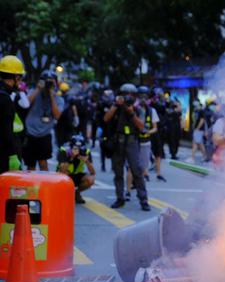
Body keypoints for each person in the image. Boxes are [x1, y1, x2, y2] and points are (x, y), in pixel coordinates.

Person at [103, 83, 150, 211]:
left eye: (131, 94)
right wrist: (115, 105)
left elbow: (142, 127)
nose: (128, 97)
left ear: (135, 96)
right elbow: (106, 119)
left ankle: (143, 199)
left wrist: (131, 113)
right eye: (125, 94)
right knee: (118, 172)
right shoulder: (116, 107)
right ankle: (120, 198)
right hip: (118, 141)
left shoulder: (138, 109)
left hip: (132, 142)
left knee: (137, 171)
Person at [24, 70, 64, 171]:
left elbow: (57, 116)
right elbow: (25, 104)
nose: (48, 84)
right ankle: (31, 186)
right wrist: (38, 89)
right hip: (30, 133)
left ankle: (45, 186)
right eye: (46, 81)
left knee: (43, 164)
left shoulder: (58, 99)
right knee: (30, 165)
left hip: (45, 134)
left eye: (51, 82)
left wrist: (51, 95)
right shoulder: (34, 92)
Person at [126, 86, 160, 199]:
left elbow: (155, 127)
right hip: (134, 141)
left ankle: (139, 189)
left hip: (146, 142)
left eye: (145, 96)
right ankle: (128, 191)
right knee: (131, 167)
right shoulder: (132, 109)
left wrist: (148, 132)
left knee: (142, 168)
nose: (143, 99)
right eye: (140, 96)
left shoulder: (152, 111)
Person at [0, 55, 24, 173]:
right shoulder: (4, 98)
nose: (20, 82)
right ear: (15, 77)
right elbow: (6, 130)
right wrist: (13, 155)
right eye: (19, 79)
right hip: (4, 155)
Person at [57, 135, 95, 204]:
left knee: (90, 179)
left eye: (79, 148)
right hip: (64, 176)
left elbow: (93, 172)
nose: (78, 150)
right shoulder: (64, 150)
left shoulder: (86, 152)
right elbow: (62, 170)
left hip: (77, 175)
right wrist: (71, 157)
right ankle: (64, 194)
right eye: (75, 148)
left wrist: (87, 161)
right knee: (65, 173)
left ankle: (77, 193)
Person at [164, 92, 182, 160]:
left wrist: (178, 107)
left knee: (176, 140)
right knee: (172, 140)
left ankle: (174, 153)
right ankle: (173, 154)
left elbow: (180, 114)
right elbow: (169, 113)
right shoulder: (169, 109)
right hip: (171, 127)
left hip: (177, 127)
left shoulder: (178, 110)